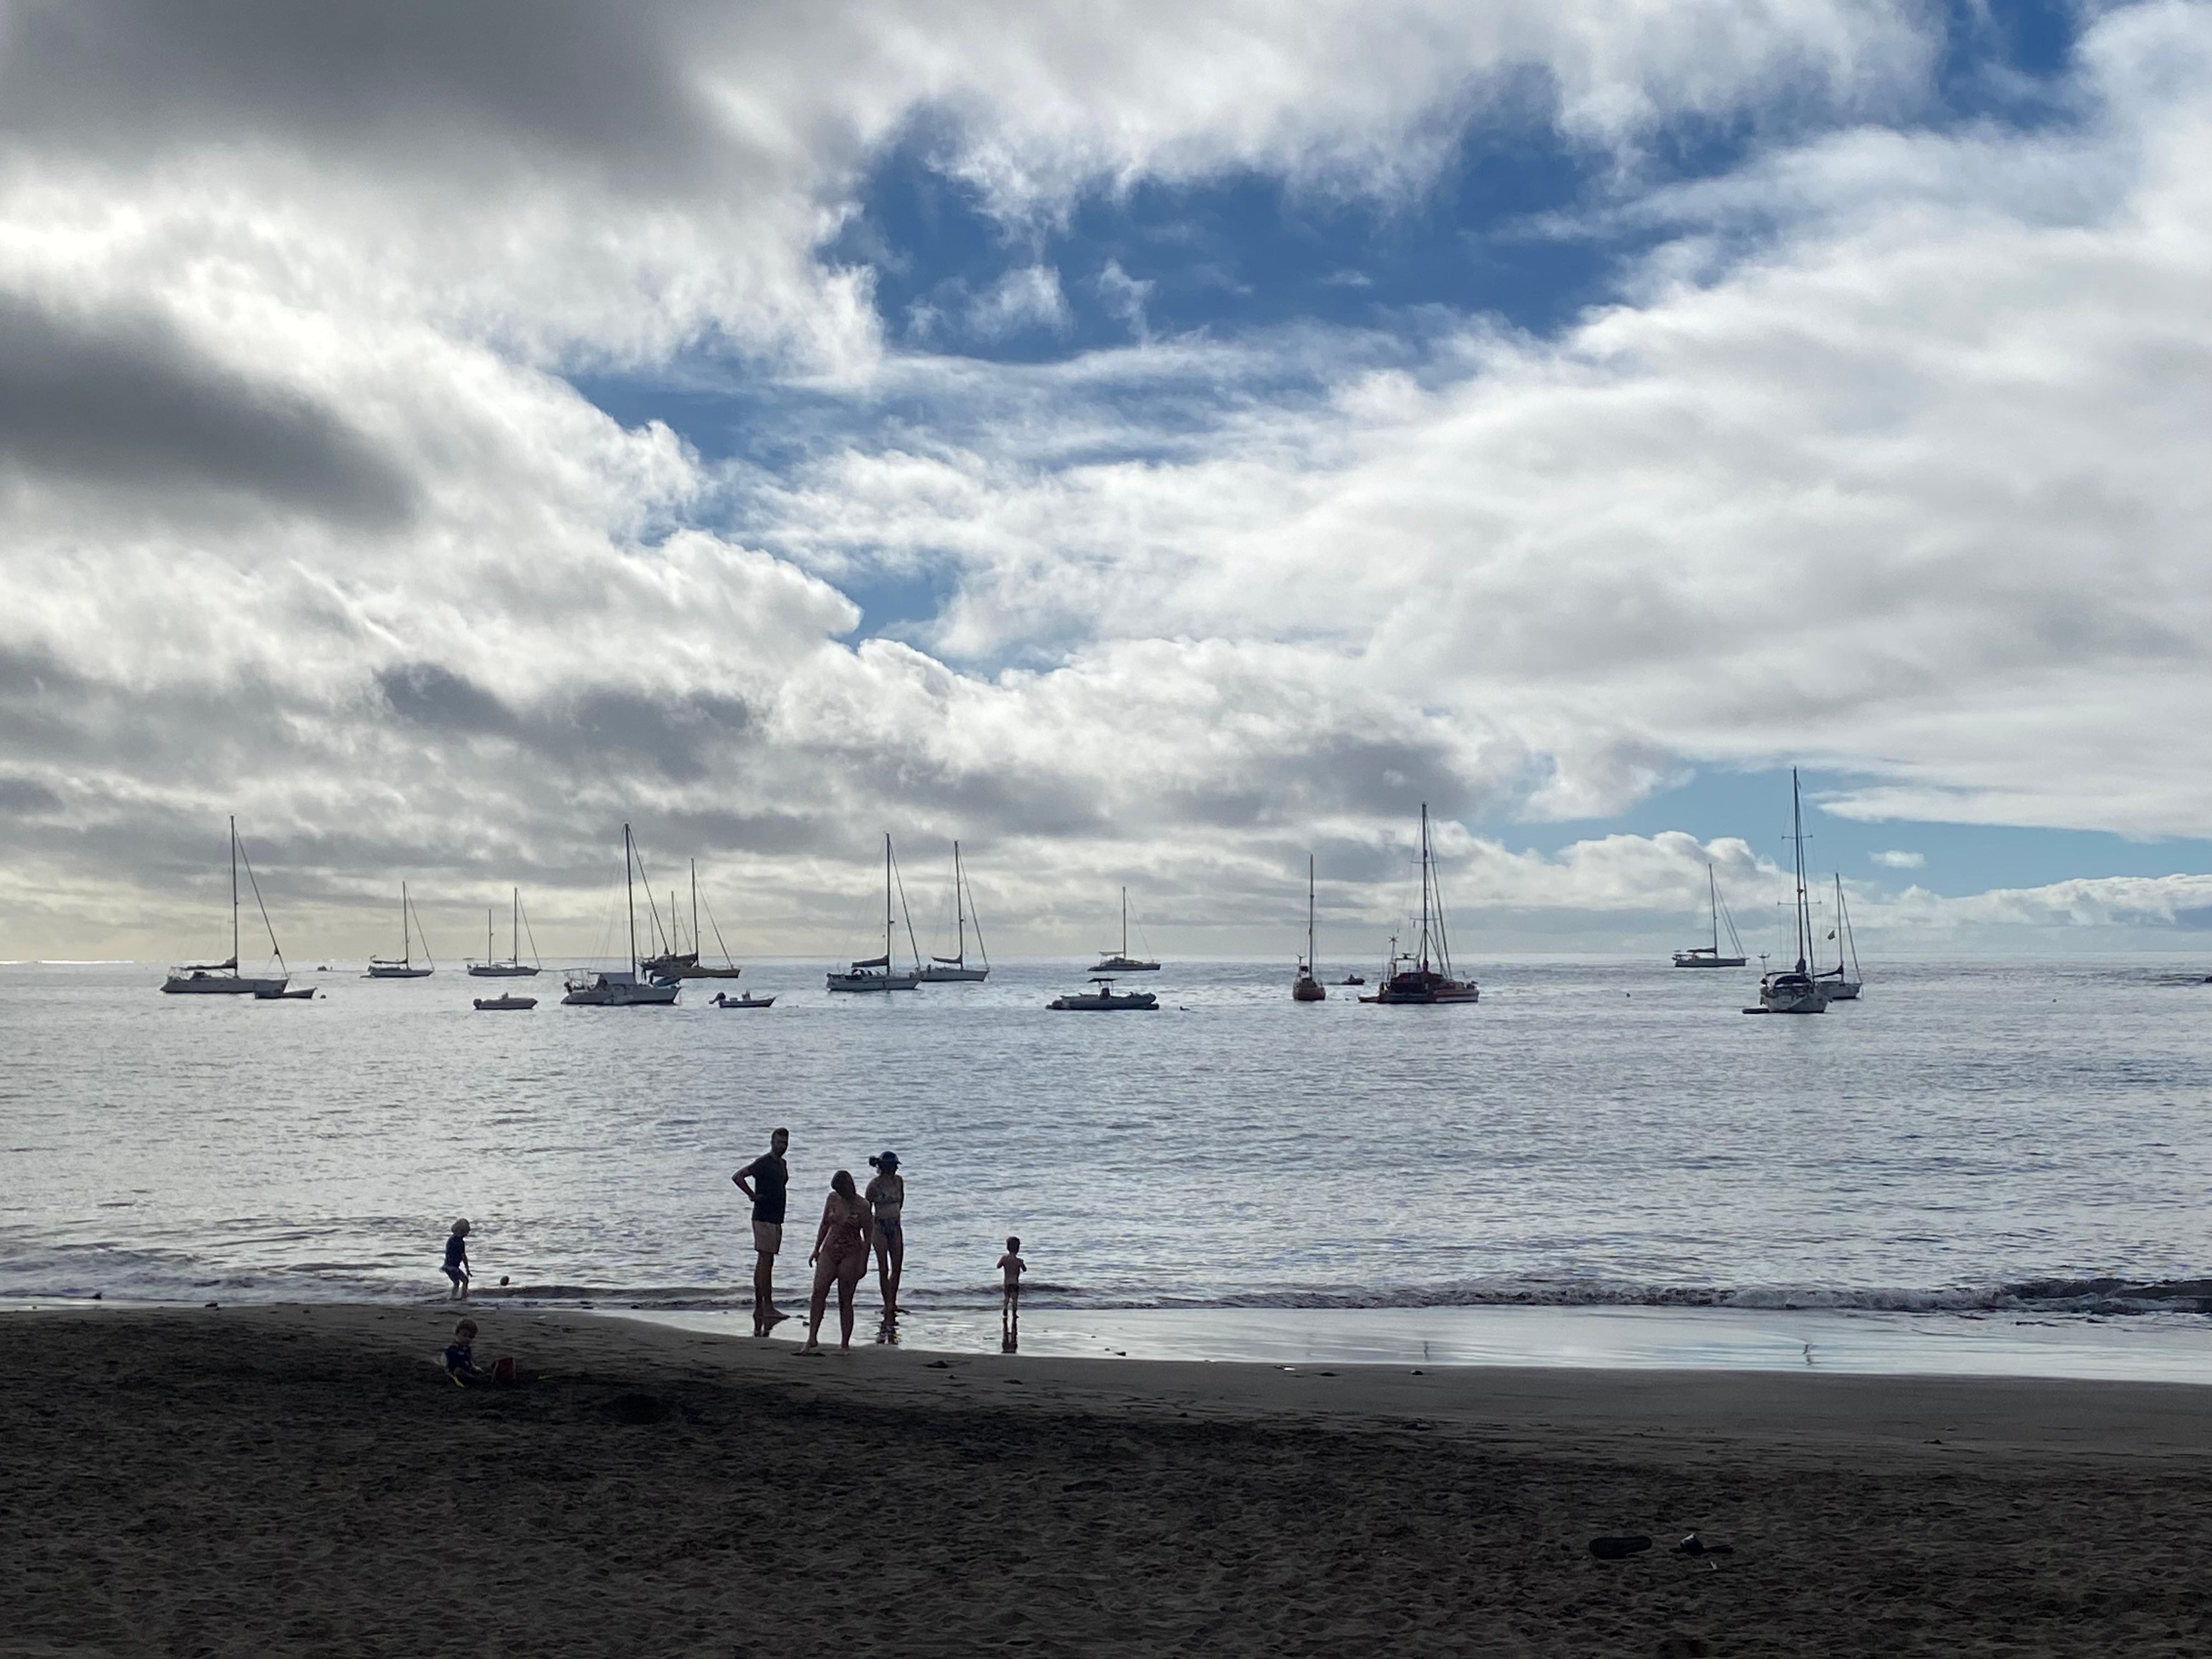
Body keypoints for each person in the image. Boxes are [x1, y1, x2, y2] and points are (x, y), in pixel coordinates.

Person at [799, 1170, 874, 1354]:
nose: (840, 1193)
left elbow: (868, 1236)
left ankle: (845, 1343)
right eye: (837, 1190)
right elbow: (825, 1224)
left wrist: (863, 1263)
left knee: (845, 1298)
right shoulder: (833, 1199)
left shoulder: (863, 1206)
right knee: (818, 1291)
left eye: (842, 1190)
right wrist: (816, 1249)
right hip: (830, 1248)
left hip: (852, 1251)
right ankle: (812, 1337)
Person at [732, 1128, 792, 1336]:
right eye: (779, 1142)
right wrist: (752, 1195)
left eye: (785, 1143)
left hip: (776, 1218)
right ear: (772, 1142)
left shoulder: (782, 1164)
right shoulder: (764, 1163)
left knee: (767, 1262)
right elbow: (739, 1177)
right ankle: (766, 1306)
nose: (782, 1146)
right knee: (765, 1262)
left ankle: (762, 1307)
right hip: (763, 1217)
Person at [865, 1152, 905, 1317]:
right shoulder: (874, 1185)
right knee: (883, 1267)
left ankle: (893, 1302)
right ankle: (886, 1303)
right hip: (879, 1227)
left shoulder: (899, 1182)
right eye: (893, 1167)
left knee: (897, 1266)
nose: (895, 1170)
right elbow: (867, 1209)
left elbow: (901, 1202)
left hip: (895, 1226)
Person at [997, 1235, 1025, 1342]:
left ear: (1007, 1247)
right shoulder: (1019, 1261)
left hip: (1007, 1283)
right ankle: (1014, 1314)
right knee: (1015, 1299)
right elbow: (1025, 1270)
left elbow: (998, 1266)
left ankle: (1005, 1311)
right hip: (1016, 1283)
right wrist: (1021, 1265)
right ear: (1018, 1249)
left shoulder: (1004, 1259)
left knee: (1007, 1297)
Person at [442, 1218, 472, 1300]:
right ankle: (464, 1297)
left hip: (447, 1266)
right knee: (465, 1280)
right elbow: (463, 1256)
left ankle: (453, 1297)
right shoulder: (460, 1242)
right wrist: (467, 1269)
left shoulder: (451, 1239)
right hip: (453, 1267)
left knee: (456, 1283)